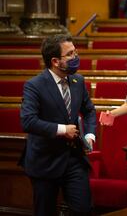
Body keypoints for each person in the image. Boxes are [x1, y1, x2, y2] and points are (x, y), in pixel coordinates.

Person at [20, 34, 96, 215]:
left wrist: (89, 135)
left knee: (83, 210)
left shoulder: (78, 81)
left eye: (75, 52)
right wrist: (62, 130)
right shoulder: (34, 85)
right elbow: (28, 121)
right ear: (55, 61)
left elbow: (89, 110)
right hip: (45, 160)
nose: (76, 57)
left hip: (74, 158)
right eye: (70, 54)